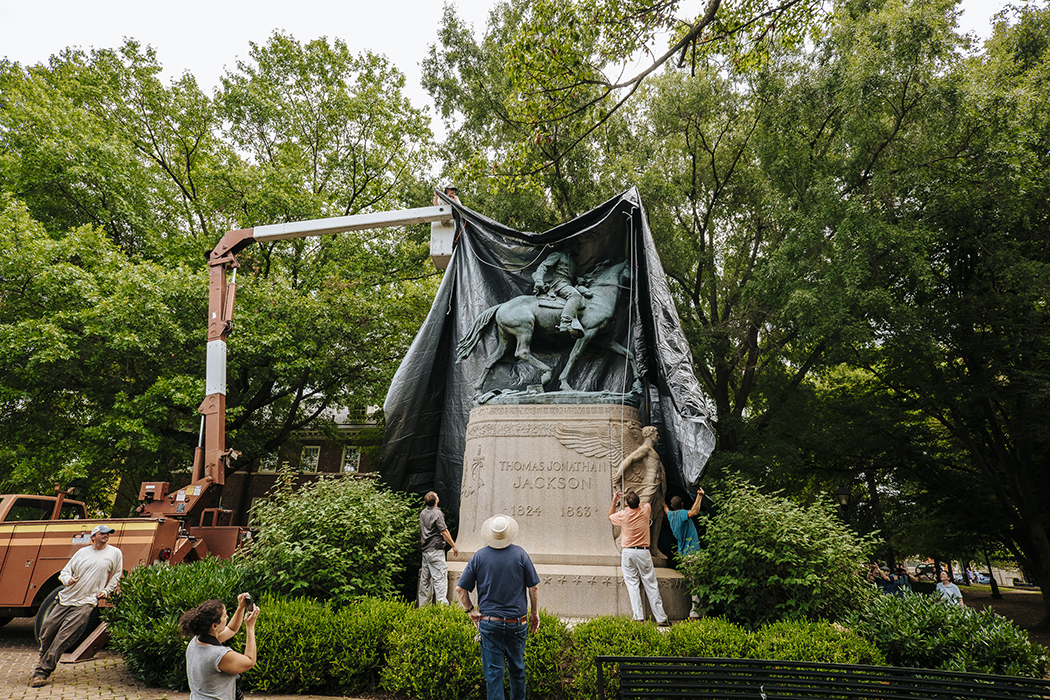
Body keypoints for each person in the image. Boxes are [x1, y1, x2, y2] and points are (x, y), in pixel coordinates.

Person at [455, 514, 540, 700]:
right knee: (517, 670)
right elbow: (533, 587)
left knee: (494, 674)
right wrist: (534, 613)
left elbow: (460, 589)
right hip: (517, 623)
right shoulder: (520, 554)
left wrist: (471, 611)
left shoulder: (479, 556)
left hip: (489, 623)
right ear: (509, 534)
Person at [29, 524, 123, 688]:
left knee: (64, 637)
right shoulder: (82, 553)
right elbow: (64, 572)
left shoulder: (115, 553)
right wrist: (68, 580)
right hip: (67, 598)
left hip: (87, 601)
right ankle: (44, 656)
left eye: (108, 533)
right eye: (102, 533)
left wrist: (107, 590)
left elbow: (116, 574)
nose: (106, 536)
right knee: (47, 630)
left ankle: (42, 671)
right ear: (93, 537)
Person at [179, 593, 260, 700]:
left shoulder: (195, 642)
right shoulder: (218, 655)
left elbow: (231, 629)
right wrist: (250, 627)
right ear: (214, 626)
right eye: (225, 615)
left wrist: (241, 608)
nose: (227, 617)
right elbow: (250, 661)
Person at [609, 490, 669, 626]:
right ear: (638, 502)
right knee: (651, 585)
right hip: (643, 552)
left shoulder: (623, 515)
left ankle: (638, 617)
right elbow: (645, 503)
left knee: (632, 585)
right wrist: (632, 503)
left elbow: (610, 516)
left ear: (627, 504)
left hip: (628, 552)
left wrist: (615, 500)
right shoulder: (645, 510)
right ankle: (661, 618)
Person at [612, 426, 666, 556]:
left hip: (656, 487)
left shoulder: (652, 450)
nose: (658, 436)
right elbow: (629, 459)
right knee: (639, 515)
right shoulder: (645, 448)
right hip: (648, 486)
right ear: (650, 434)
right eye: (656, 433)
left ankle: (654, 547)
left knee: (658, 514)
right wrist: (619, 474)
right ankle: (622, 541)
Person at [663, 489, 707, 620]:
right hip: (692, 553)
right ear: (682, 504)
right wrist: (699, 496)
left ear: (672, 506)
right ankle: (694, 614)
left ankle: (701, 612)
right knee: (696, 585)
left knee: (695, 583)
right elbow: (694, 512)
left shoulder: (671, 515)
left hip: (684, 555)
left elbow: (665, 508)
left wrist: (661, 499)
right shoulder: (682, 514)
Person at [418, 490, 459, 605]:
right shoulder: (437, 513)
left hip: (426, 550)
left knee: (425, 581)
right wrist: (454, 545)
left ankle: (423, 608)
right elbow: (444, 531)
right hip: (436, 550)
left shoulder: (423, 513)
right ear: (436, 501)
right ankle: (443, 608)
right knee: (440, 579)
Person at [532, 248, 584, 336]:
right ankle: (566, 322)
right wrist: (539, 279)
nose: (577, 247)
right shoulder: (558, 254)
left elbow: (572, 276)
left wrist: (579, 280)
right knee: (575, 295)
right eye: (575, 244)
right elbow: (544, 266)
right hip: (559, 283)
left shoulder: (573, 261)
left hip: (568, 284)